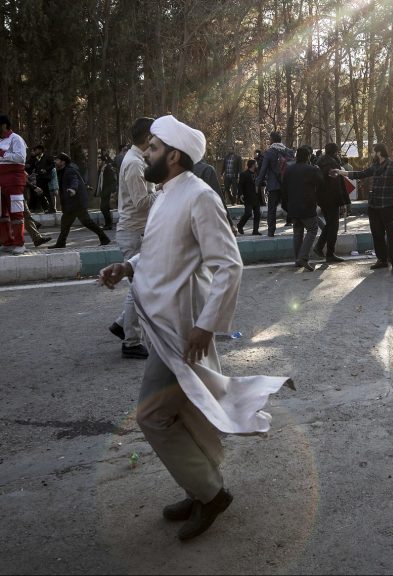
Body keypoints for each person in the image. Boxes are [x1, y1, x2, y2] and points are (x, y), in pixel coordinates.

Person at [98, 114, 292, 542]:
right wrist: (127, 266)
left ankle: (211, 492)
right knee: (186, 412)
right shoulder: (166, 194)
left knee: (152, 415)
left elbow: (229, 264)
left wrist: (206, 326)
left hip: (183, 331)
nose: (144, 153)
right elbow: (159, 255)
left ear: (172, 154)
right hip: (163, 324)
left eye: (151, 148)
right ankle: (199, 487)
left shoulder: (200, 196)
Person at [340, 143, 393, 274]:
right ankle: (382, 260)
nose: (372, 154)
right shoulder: (375, 166)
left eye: (373, 152)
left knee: (392, 235)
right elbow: (361, 174)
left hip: (388, 207)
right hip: (374, 206)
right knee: (377, 234)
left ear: (379, 153)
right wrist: (341, 172)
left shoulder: (392, 165)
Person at [110, 117, 156, 359]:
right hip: (133, 233)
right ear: (149, 137)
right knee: (139, 290)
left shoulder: (137, 160)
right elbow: (141, 203)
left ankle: (121, 324)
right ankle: (130, 342)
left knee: (140, 287)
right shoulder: (135, 164)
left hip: (137, 232)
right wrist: (166, 190)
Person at [50, 153, 111, 249]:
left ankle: (104, 238)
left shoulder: (69, 171)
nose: (55, 161)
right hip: (73, 203)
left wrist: (73, 189)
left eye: (57, 160)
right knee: (69, 223)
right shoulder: (64, 170)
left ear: (63, 162)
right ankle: (104, 238)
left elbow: (75, 181)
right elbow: (79, 179)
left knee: (83, 222)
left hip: (76, 203)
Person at [282, 146, 323, 271]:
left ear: (296, 156)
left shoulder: (289, 169)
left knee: (297, 233)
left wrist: (285, 205)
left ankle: (297, 260)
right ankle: (303, 257)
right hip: (307, 206)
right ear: (308, 157)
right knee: (312, 229)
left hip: (293, 206)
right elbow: (321, 182)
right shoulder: (311, 169)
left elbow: (283, 188)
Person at [313, 142, 350, 262]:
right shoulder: (333, 163)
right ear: (335, 152)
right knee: (333, 226)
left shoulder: (319, 162)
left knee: (329, 224)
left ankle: (321, 248)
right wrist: (343, 202)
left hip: (322, 198)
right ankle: (328, 252)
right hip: (332, 198)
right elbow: (337, 184)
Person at [256, 131, 294, 237]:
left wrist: (257, 183)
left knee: (272, 209)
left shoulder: (269, 152)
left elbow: (263, 170)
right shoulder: (289, 151)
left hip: (274, 185)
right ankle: (298, 224)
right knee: (289, 206)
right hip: (287, 184)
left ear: (272, 140)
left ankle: (271, 231)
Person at [0, 114, 29, 255]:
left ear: (4, 125)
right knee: (2, 214)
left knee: (16, 213)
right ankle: (8, 242)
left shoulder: (16, 139)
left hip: (14, 181)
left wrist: (3, 154)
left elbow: (21, 157)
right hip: (1, 181)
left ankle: (19, 243)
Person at [27, 144, 56, 213]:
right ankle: (47, 208)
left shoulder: (47, 157)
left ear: (40, 150)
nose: (35, 151)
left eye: (36, 150)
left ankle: (47, 208)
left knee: (41, 192)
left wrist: (46, 169)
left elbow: (53, 165)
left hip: (45, 178)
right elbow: (29, 164)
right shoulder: (35, 158)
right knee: (42, 193)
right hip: (38, 178)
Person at [236, 159, 261, 235]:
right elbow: (240, 185)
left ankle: (255, 231)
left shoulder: (257, 173)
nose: (257, 165)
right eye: (256, 164)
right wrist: (240, 194)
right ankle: (240, 225)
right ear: (253, 165)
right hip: (248, 197)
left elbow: (261, 182)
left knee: (257, 213)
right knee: (248, 213)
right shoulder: (244, 174)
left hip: (256, 197)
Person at [97, 155, 117, 230]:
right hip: (103, 191)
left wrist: (111, 191)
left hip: (107, 192)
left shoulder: (108, 168)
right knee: (104, 208)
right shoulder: (101, 169)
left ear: (103, 161)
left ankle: (109, 225)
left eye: (99, 161)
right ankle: (108, 224)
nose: (98, 162)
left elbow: (113, 181)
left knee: (104, 208)